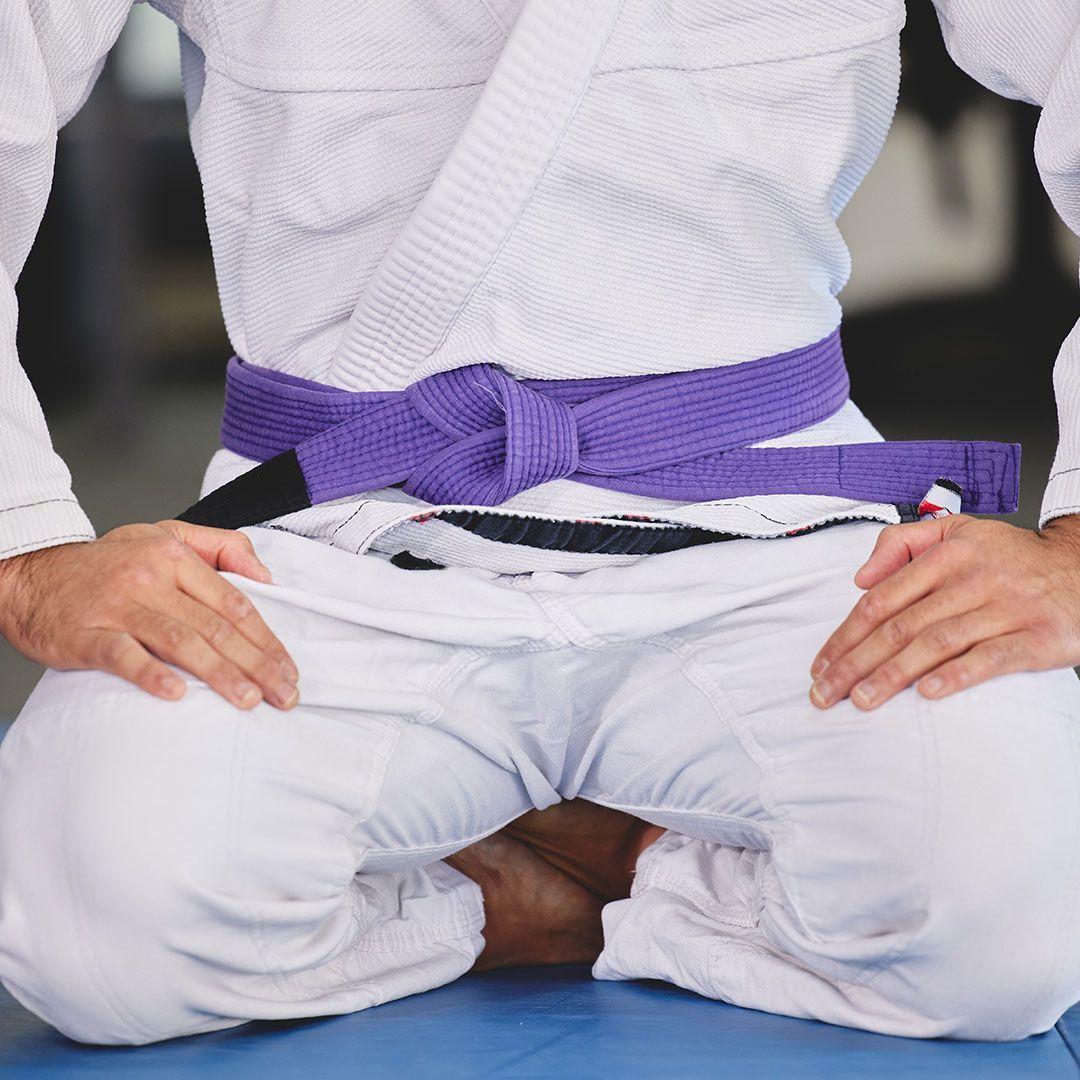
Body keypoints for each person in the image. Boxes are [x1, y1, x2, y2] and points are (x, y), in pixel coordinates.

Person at [1, 0, 1080, 1047]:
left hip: (779, 523)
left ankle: (600, 873)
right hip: (331, 531)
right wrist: (24, 545)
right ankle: (520, 901)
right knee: (90, 932)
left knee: (1016, 928)